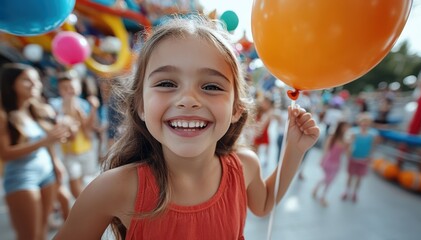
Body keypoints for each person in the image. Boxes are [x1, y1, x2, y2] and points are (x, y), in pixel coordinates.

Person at [54, 16, 320, 240]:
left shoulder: (245, 166)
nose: (189, 100)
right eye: (167, 83)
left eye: (211, 86)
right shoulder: (114, 188)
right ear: (140, 105)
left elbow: (262, 205)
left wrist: (294, 150)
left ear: (236, 108)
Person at [0, 63, 70, 240]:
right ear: (10, 84)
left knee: (42, 232)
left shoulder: (36, 110)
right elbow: (5, 153)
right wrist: (44, 141)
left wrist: (56, 163)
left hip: (47, 175)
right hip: (22, 179)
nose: (35, 84)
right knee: (29, 236)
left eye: (36, 80)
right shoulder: (4, 115)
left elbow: (51, 142)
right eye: (26, 80)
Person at [49, 70, 99, 199]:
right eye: (65, 88)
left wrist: (93, 109)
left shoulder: (84, 104)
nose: (69, 90)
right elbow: (68, 131)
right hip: (68, 152)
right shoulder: (55, 105)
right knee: (74, 180)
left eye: (71, 86)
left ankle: (85, 205)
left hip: (86, 148)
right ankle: (83, 206)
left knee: (86, 180)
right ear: (59, 89)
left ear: (78, 87)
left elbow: (89, 127)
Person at [341, 112, 380, 203]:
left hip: (364, 158)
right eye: (363, 121)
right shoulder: (354, 132)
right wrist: (347, 153)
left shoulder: (373, 134)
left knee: (359, 177)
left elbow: (373, 146)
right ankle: (347, 191)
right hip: (353, 157)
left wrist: (370, 157)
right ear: (359, 122)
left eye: (367, 122)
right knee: (350, 175)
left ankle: (355, 192)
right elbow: (348, 143)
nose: (364, 124)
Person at [312, 121, 349, 207]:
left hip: (337, 163)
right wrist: (322, 159)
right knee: (327, 179)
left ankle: (321, 194)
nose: (346, 129)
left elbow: (346, 153)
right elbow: (326, 149)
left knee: (330, 180)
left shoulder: (345, 140)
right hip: (329, 161)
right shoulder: (333, 137)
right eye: (345, 127)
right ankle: (320, 193)